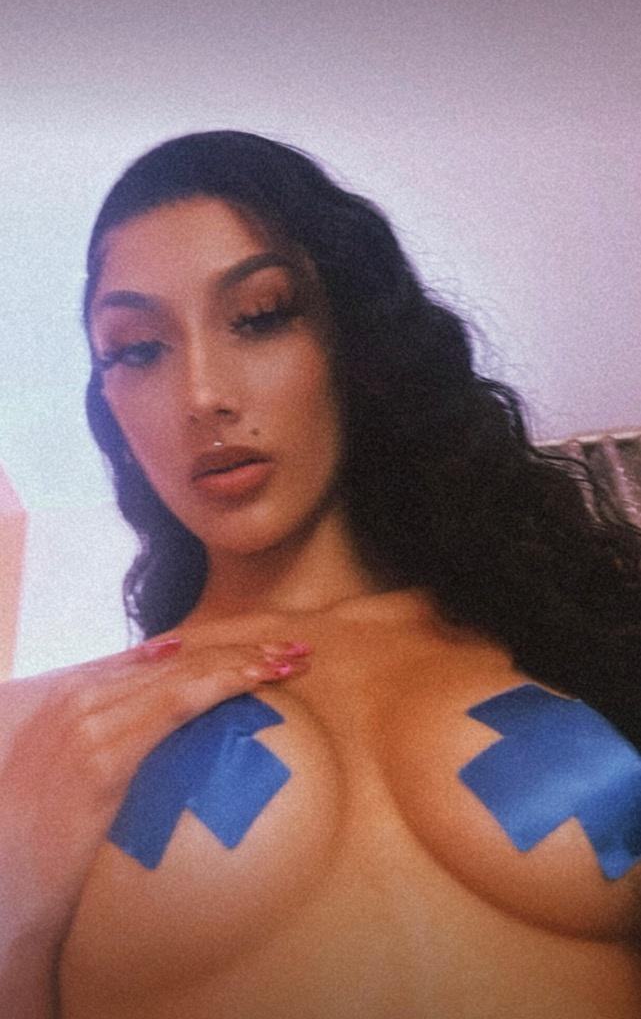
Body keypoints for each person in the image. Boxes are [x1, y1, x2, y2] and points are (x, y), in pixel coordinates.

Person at [2, 130, 641, 1018]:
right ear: (108, 401)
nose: (202, 394)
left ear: (353, 340)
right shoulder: (31, 737)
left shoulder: (585, 625)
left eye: (260, 316)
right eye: (138, 348)